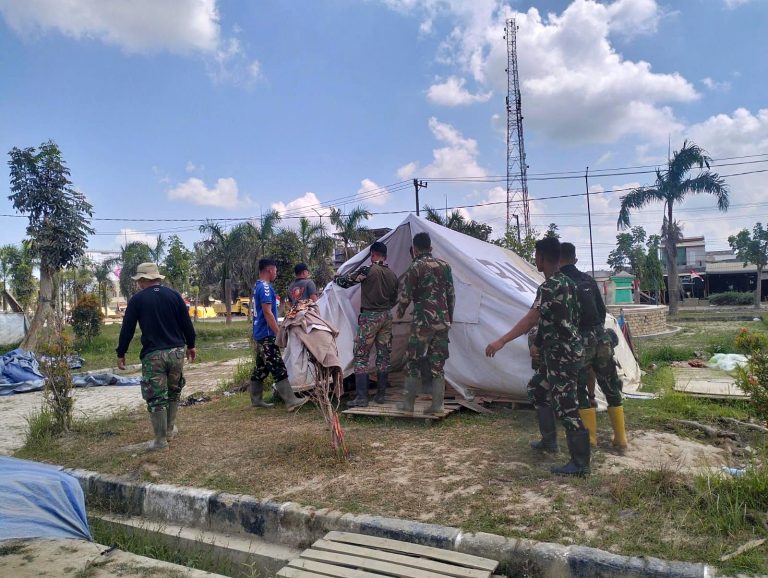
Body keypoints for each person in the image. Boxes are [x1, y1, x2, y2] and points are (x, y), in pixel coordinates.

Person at [485, 237, 590, 476]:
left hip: (562, 356)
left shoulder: (550, 286)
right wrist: (541, 342)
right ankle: (549, 441)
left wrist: (501, 340)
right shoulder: (568, 283)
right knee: (538, 390)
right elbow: (555, 318)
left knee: (567, 407)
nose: (535, 260)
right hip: (561, 353)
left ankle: (581, 464)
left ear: (541, 257)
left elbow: (533, 317)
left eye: (536, 255)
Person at [116, 262, 196, 451]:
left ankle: (160, 441)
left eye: (139, 281)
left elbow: (127, 328)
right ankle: (169, 430)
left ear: (143, 280)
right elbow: (187, 324)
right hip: (176, 352)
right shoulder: (175, 296)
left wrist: (121, 352)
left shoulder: (137, 300)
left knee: (156, 396)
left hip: (154, 355)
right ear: (157, 278)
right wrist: (191, 346)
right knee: (174, 391)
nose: (138, 284)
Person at [559, 242, 627, 451]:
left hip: (579, 342)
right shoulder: (588, 280)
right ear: (575, 259)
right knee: (611, 387)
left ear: (558, 259)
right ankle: (621, 439)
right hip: (601, 339)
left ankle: (590, 440)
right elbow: (601, 310)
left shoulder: (561, 282)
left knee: (580, 389)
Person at [395, 232, 455, 415]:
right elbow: (451, 295)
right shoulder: (445, 266)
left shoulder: (415, 267)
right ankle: (438, 405)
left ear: (414, 249)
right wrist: (448, 318)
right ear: (430, 248)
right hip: (443, 322)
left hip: (423, 323)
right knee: (438, 364)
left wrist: (399, 312)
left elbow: (405, 296)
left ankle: (408, 405)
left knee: (413, 362)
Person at [334, 241, 399, 406]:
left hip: (369, 318)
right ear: (385, 255)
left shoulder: (368, 270)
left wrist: (336, 278)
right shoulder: (392, 275)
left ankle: (362, 398)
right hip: (386, 317)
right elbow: (394, 299)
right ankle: (381, 395)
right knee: (383, 357)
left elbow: (345, 282)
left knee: (361, 357)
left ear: (372, 254)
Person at [250, 258, 306, 411]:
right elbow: (267, 313)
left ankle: (256, 399)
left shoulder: (257, 285)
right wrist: (279, 332)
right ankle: (291, 401)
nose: (276, 273)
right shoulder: (266, 288)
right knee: (277, 367)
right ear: (269, 270)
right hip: (267, 334)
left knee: (261, 368)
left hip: (260, 333)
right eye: (275, 270)